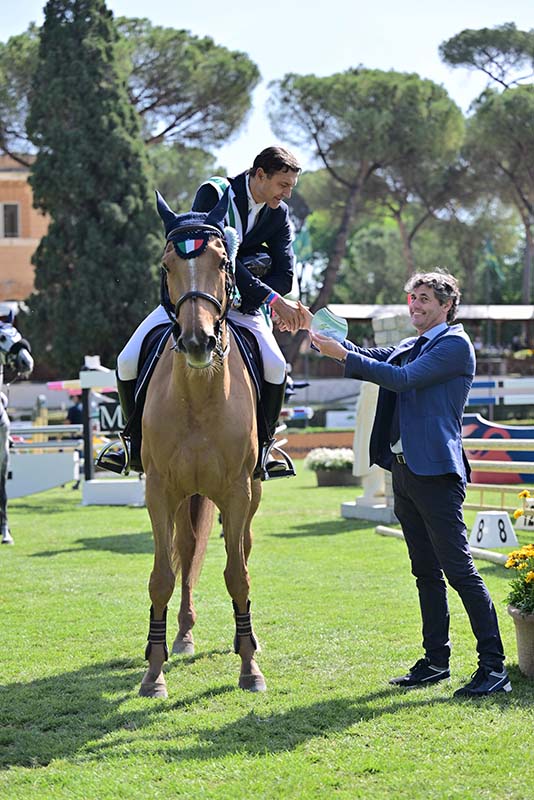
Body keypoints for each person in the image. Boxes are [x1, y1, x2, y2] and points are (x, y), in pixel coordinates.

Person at [297, 270, 511, 698]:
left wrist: (344, 355)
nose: (415, 305)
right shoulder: (412, 344)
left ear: (447, 304)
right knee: (424, 573)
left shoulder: (454, 344)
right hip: (404, 471)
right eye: (412, 297)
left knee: (459, 572)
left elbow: (401, 379)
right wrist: (317, 330)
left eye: (425, 298)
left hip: (436, 472)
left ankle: (494, 667)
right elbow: (366, 354)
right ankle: (436, 662)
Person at [98, 145, 303, 478]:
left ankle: (265, 448)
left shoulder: (278, 215)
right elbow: (208, 254)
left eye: (291, 187)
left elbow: (285, 274)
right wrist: (269, 296)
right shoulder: (214, 194)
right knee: (125, 358)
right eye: (283, 185)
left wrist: (251, 297)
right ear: (260, 174)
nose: (287, 194)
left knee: (277, 365)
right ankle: (131, 443)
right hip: (196, 300)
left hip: (244, 307)